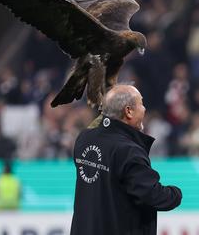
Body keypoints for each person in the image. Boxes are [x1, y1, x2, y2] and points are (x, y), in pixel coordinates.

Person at [70, 85, 182, 235]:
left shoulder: (84, 138)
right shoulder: (129, 151)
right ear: (128, 111)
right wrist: (176, 193)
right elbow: (153, 196)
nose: (144, 109)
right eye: (141, 103)